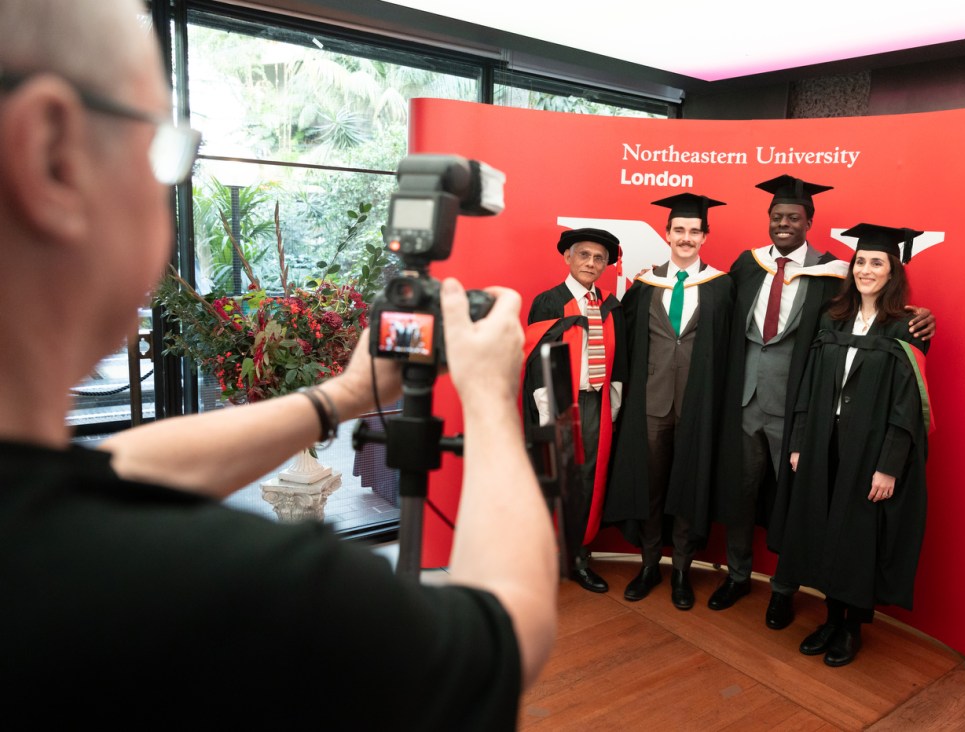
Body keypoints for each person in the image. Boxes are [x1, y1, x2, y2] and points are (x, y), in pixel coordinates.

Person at [0, 0, 557, 724]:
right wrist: (488, 397)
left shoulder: (42, 519)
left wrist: (345, 394)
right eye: (158, 145)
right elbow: (511, 629)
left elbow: (120, 470)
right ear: (52, 156)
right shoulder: (255, 593)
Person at [708, 175, 935, 632]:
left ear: (809, 222)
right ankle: (736, 575)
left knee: (795, 501)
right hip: (746, 402)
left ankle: (783, 591)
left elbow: (869, 311)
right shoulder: (745, 266)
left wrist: (918, 314)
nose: (784, 224)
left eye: (793, 217)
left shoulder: (831, 273)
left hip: (797, 409)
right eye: (777, 217)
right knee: (741, 492)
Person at [771, 223, 933, 668]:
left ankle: (850, 628)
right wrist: (801, 441)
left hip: (870, 449)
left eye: (876, 262)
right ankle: (829, 617)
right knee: (824, 528)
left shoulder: (906, 327)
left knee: (858, 536)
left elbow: (908, 406)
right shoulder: (832, 317)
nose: (866, 269)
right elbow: (807, 385)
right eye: (861, 261)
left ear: (892, 271)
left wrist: (890, 465)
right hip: (825, 443)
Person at [603, 192, 732, 610]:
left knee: (689, 488)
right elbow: (619, 337)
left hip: (698, 407)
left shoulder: (721, 287)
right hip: (651, 406)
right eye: (680, 230)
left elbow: (733, 348)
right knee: (652, 488)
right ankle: (648, 565)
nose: (686, 238)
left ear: (705, 236)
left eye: (695, 231)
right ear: (667, 233)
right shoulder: (644, 285)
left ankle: (681, 571)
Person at [523, 228, 625, 593]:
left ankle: (580, 557)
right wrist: (548, 413)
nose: (592, 264)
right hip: (558, 405)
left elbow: (621, 360)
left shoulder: (611, 305)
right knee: (554, 478)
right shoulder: (549, 302)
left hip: (596, 404)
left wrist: (611, 405)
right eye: (584, 255)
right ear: (568, 257)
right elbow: (536, 360)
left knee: (588, 479)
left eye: (599, 258)